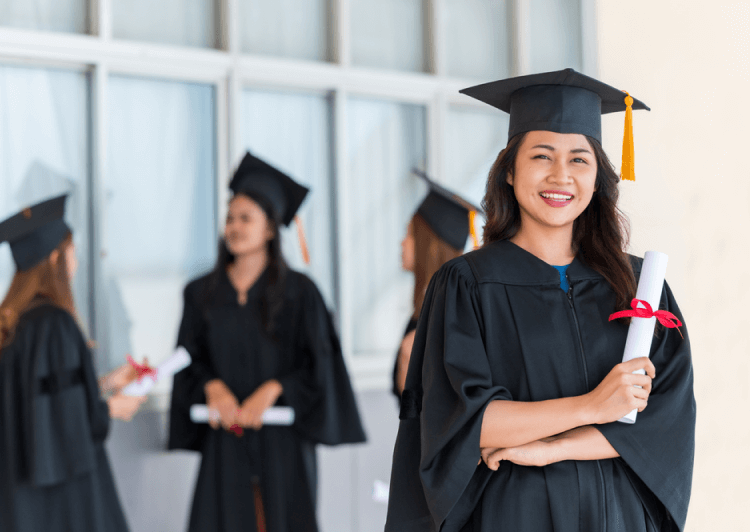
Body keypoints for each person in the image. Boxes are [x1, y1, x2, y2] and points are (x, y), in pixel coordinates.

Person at [385, 69, 695, 532]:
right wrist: (592, 406)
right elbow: (466, 425)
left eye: (579, 159)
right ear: (509, 170)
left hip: (618, 516)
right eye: (541, 156)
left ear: (598, 178)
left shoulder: (638, 286)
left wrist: (553, 446)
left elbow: (663, 423)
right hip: (513, 514)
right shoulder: (466, 285)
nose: (560, 176)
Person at [168, 152, 366, 532]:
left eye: (246, 218)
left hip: (283, 443)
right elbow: (188, 358)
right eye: (230, 218)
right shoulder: (201, 293)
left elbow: (319, 366)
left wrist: (274, 389)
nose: (234, 226)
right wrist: (213, 388)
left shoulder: (300, 293)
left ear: (271, 229)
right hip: (225, 438)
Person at [0, 194, 147, 532]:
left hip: (24, 494)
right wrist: (111, 408)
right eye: (72, 251)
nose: (77, 261)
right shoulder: (55, 324)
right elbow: (66, 418)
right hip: (63, 499)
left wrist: (103, 384)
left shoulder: (20, 324)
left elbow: (46, 396)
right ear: (55, 257)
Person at [393, 171, 479, 402]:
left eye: (409, 234)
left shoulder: (456, 315)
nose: (402, 242)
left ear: (429, 246)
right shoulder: (424, 311)